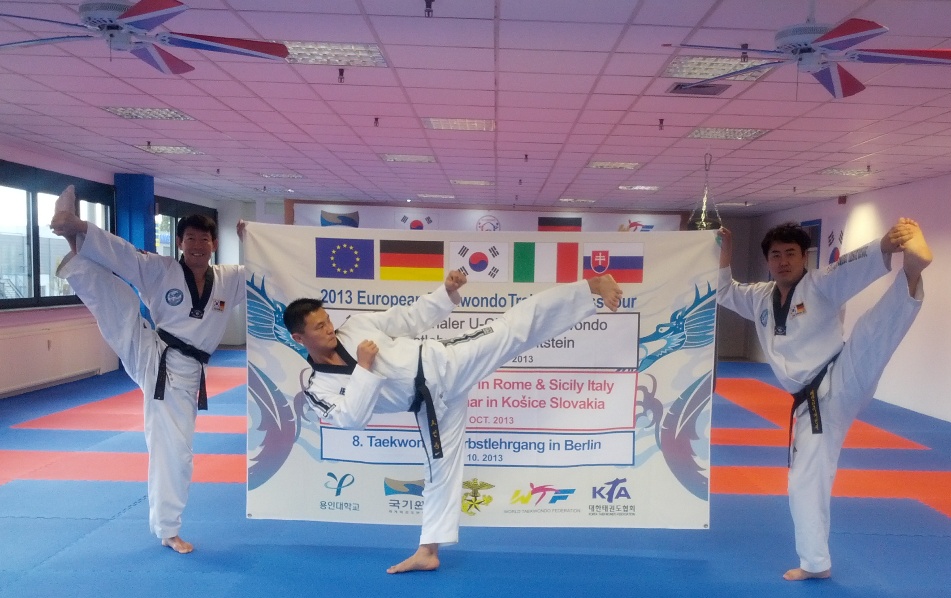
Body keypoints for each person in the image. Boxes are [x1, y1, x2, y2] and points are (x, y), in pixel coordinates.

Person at [285, 273, 623, 574]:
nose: (329, 329)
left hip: (445, 362)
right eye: (319, 327)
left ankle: (591, 286)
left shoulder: (356, 327)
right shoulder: (318, 387)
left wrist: (444, 293)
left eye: (327, 321)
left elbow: (408, 318)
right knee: (439, 471)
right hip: (430, 405)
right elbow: (352, 419)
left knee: (513, 328)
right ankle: (428, 552)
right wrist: (364, 368)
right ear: (300, 338)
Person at [717, 218, 932, 581]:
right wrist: (726, 250)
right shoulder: (758, 297)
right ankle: (815, 563)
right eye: (775, 255)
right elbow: (723, 291)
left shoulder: (820, 284)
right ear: (768, 261)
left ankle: (911, 271)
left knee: (870, 332)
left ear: (805, 257)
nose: (783, 261)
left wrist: (884, 245)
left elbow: (849, 267)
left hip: (840, 371)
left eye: (791, 253)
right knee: (804, 480)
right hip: (812, 402)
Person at [50, 188, 246, 554]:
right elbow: (124, 256)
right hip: (157, 354)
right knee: (121, 306)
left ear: (215, 244)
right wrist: (84, 228)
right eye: (190, 239)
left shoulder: (230, 278)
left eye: (204, 240)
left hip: (186, 372)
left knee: (176, 451)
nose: (197, 246)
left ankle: (74, 242)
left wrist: (254, 239)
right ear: (180, 243)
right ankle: (168, 529)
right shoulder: (163, 269)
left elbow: (269, 274)